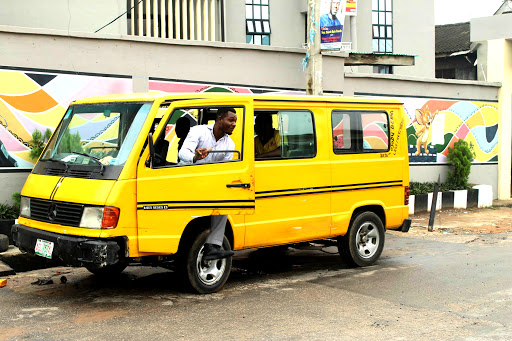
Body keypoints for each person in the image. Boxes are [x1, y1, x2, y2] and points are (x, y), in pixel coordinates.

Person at [178, 107, 237, 260]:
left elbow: (224, 170)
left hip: (207, 183)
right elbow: (183, 153)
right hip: (186, 179)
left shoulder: (230, 144)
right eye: (231, 120)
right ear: (220, 119)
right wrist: (195, 158)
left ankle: (213, 246)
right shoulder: (198, 131)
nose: (234, 124)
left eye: (235, 121)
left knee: (224, 205)